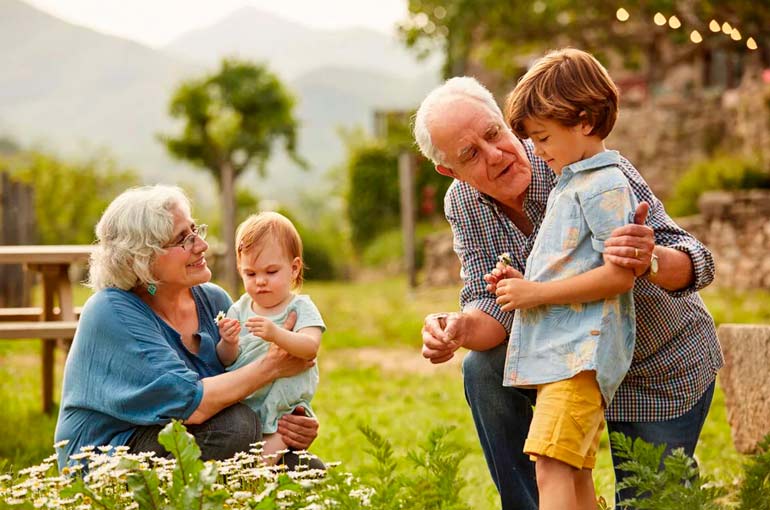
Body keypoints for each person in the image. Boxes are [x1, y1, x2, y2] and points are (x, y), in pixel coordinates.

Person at [413, 73, 723, 509]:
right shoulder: (463, 203)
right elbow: (494, 307)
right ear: (450, 170)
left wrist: (648, 259)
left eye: (493, 134)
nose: (496, 154)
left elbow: (696, 259)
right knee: (482, 369)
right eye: (471, 154)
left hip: (655, 367)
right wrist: (459, 327)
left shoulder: (579, 158)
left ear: (504, 120)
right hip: (570, 365)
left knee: (654, 502)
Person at [54, 185, 320, 470]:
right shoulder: (110, 311)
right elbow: (192, 404)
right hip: (111, 455)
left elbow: (242, 381)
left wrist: (292, 420)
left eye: (196, 231)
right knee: (237, 427)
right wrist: (274, 366)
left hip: (193, 437)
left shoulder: (214, 300)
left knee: (305, 468)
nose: (202, 245)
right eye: (184, 239)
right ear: (143, 258)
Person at [484, 48, 638, 510]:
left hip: (581, 356)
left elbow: (619, 276)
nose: (538, 150)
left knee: (550, 468)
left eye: (544, 137)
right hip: (563, 356)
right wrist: (522, 281)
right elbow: (575, 264)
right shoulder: (570, 182)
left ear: (586, 122)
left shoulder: (605, 184)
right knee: (574, 477)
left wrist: (537, 293)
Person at [217, 211, 325, 465]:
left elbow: (310, 348)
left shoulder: (299, 308)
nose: (261, 282)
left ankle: (253, 484)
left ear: (294, 268)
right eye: (251, 274)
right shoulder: (239, 308)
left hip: (284, 406)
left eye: (271, 271)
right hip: (248, 398)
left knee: (263, 460)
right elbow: (226, 360)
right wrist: (228, 343)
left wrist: (277, 334)